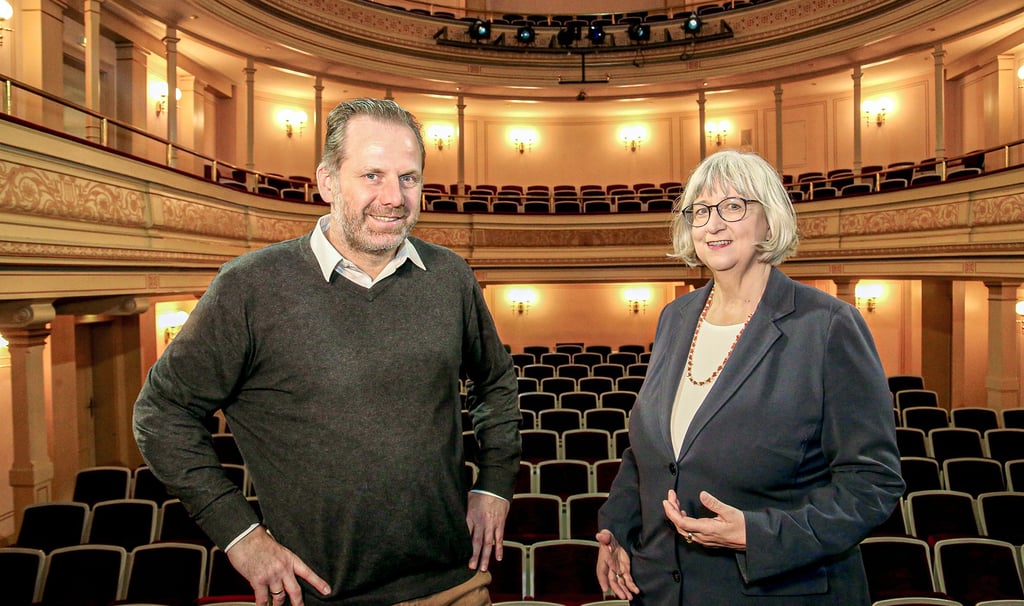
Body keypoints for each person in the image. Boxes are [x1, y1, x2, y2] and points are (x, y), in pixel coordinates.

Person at [134, 98, 521, 606]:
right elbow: (161, 412)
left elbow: (494, 380)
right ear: (327, 182)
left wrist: (495, 482)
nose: (394, 197)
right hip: (316, 594)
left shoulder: (450, 276)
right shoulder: (249, 287)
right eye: (372, 175)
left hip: (454, 583)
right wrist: (240, 536)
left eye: (409, 178)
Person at [595, 150, 904, 605]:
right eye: (699, 211)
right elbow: (650, 452)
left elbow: (872, 483)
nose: (712, 224)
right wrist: (617, 529)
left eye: (733, 207)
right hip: (663, 587)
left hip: (778, 592)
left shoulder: (828, 325)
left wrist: (759, 534)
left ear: (770, 220)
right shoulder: (675, 317)